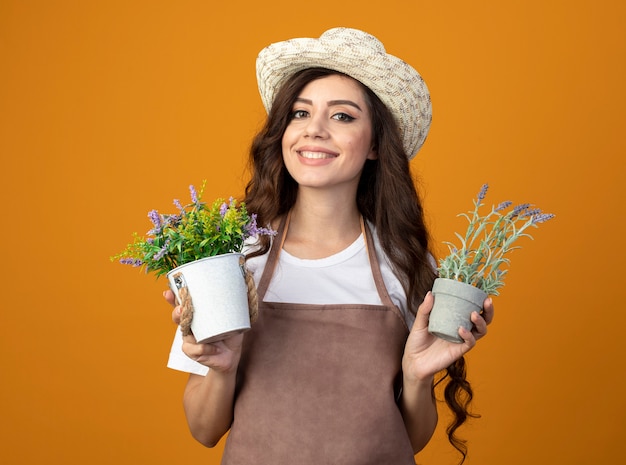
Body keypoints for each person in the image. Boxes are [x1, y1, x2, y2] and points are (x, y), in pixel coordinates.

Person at [165, 27, 494, 464]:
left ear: (376, 143)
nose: (314, 130)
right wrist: (222, 368)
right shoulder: (234, 259)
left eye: (342, 116)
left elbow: (407, 440)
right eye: (300, 114)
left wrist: (416, 376)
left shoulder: (404, 263)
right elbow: (204, 431)